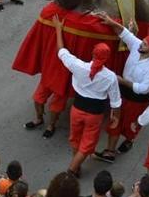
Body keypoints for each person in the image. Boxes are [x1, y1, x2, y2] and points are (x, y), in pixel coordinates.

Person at [51, 16, 121, 177]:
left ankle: (76, 167)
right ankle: (71, 170)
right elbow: (116, 102)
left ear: (93, 53)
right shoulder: (110, 77)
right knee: (87, 144)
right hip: (94, 115)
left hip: (77, 109)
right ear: (107, 58)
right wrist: (115, 117)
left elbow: (61, 51)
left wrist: (58, 28)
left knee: (75, 138)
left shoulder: (78, 66)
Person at [94, 12, 149, 162]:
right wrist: (110, 22)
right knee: (115, 120)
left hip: (138, 99)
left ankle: (129, 140)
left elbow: (144, 89)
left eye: (145, 44)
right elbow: (124, 33)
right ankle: (110, 151)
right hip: (123, 91)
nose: (140, 43)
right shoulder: (137, 46)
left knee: (131, 124)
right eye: (142, 41)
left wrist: (121, 81)